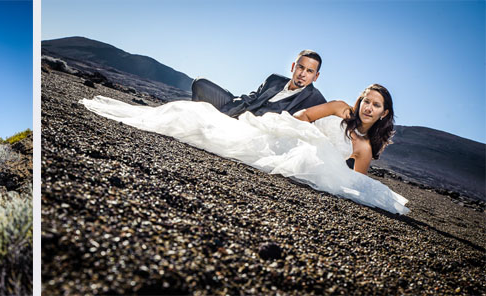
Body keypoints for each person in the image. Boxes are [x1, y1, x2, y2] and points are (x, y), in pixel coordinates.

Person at [80, 84, 409, 215]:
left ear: (384, 113)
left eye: (375, 104)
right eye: (366, 100)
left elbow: (354, 183)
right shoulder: (339, 108)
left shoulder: (363, 147)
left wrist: (319, 153)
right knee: (212, 127)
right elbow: (305, 115)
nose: (368, 106)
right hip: (291, 136)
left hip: (304, 158)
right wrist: (303, 133)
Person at [192, 50, 327, 117]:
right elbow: (251, 98)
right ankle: (197, 121)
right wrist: (227, 111)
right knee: (200, 83)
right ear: (293, 67)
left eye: (309, 71)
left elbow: (337, 119)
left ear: (316, 76)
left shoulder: (315, 99)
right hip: (238, 111)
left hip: (256, 131)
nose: (303, 74)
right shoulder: (274, 79)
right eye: (300, 67)